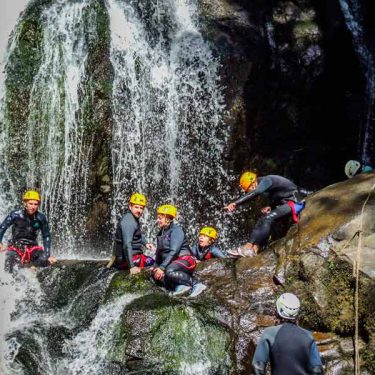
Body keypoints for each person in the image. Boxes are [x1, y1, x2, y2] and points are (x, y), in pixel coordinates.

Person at [224, 172, 305, 256]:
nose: (251, 191)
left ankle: (247, 247)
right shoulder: (265, 185)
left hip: (295, 202)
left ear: (253, 182)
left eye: (250, 189)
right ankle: (254, 249)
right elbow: (279, 196)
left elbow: (256, 192)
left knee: (268, 219)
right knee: (261, 220)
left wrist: (235, 203)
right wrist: (271, 207)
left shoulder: (267, 180)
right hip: (288, 202)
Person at [252, 293, 323, 375]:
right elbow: (317, 370)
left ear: (278, 310)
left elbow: (258, 367)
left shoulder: (270, 333)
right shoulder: (308, 336)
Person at [151, 204, 206, 297]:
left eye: (160, 218)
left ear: (168, 218)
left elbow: (174, 251)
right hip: (173, 262)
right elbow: (159, 253)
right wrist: (155, 266)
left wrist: (162, 267)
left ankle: (196, 284)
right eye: (158, 218)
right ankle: (179, 287)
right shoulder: (160, 233)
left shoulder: (176, 230)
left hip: (185, 259)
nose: (158, 220)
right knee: (155, 273)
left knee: (169, 271)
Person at [0, 190, 57, 273]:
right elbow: (2, 227)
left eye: (35, 204)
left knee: (45, 258)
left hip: (32, 248)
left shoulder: (40, 218)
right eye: (30, 203)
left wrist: (47, 254)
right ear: (25, 203)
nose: (33, 207)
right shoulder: (15, 214)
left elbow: (46, 236)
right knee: (10, 258)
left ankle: (33, 269)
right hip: (16, 247)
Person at [109, 192, 155, 275]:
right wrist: (132, 266)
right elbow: (127, 244)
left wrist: (146, 243)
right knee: (154, 264)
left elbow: (136, 234)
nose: (139, 210)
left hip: (128, 257)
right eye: (136, 207)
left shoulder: (132, 218)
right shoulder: (129, 221)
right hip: (128, 260)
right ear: (130, 206)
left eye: (141, 208)